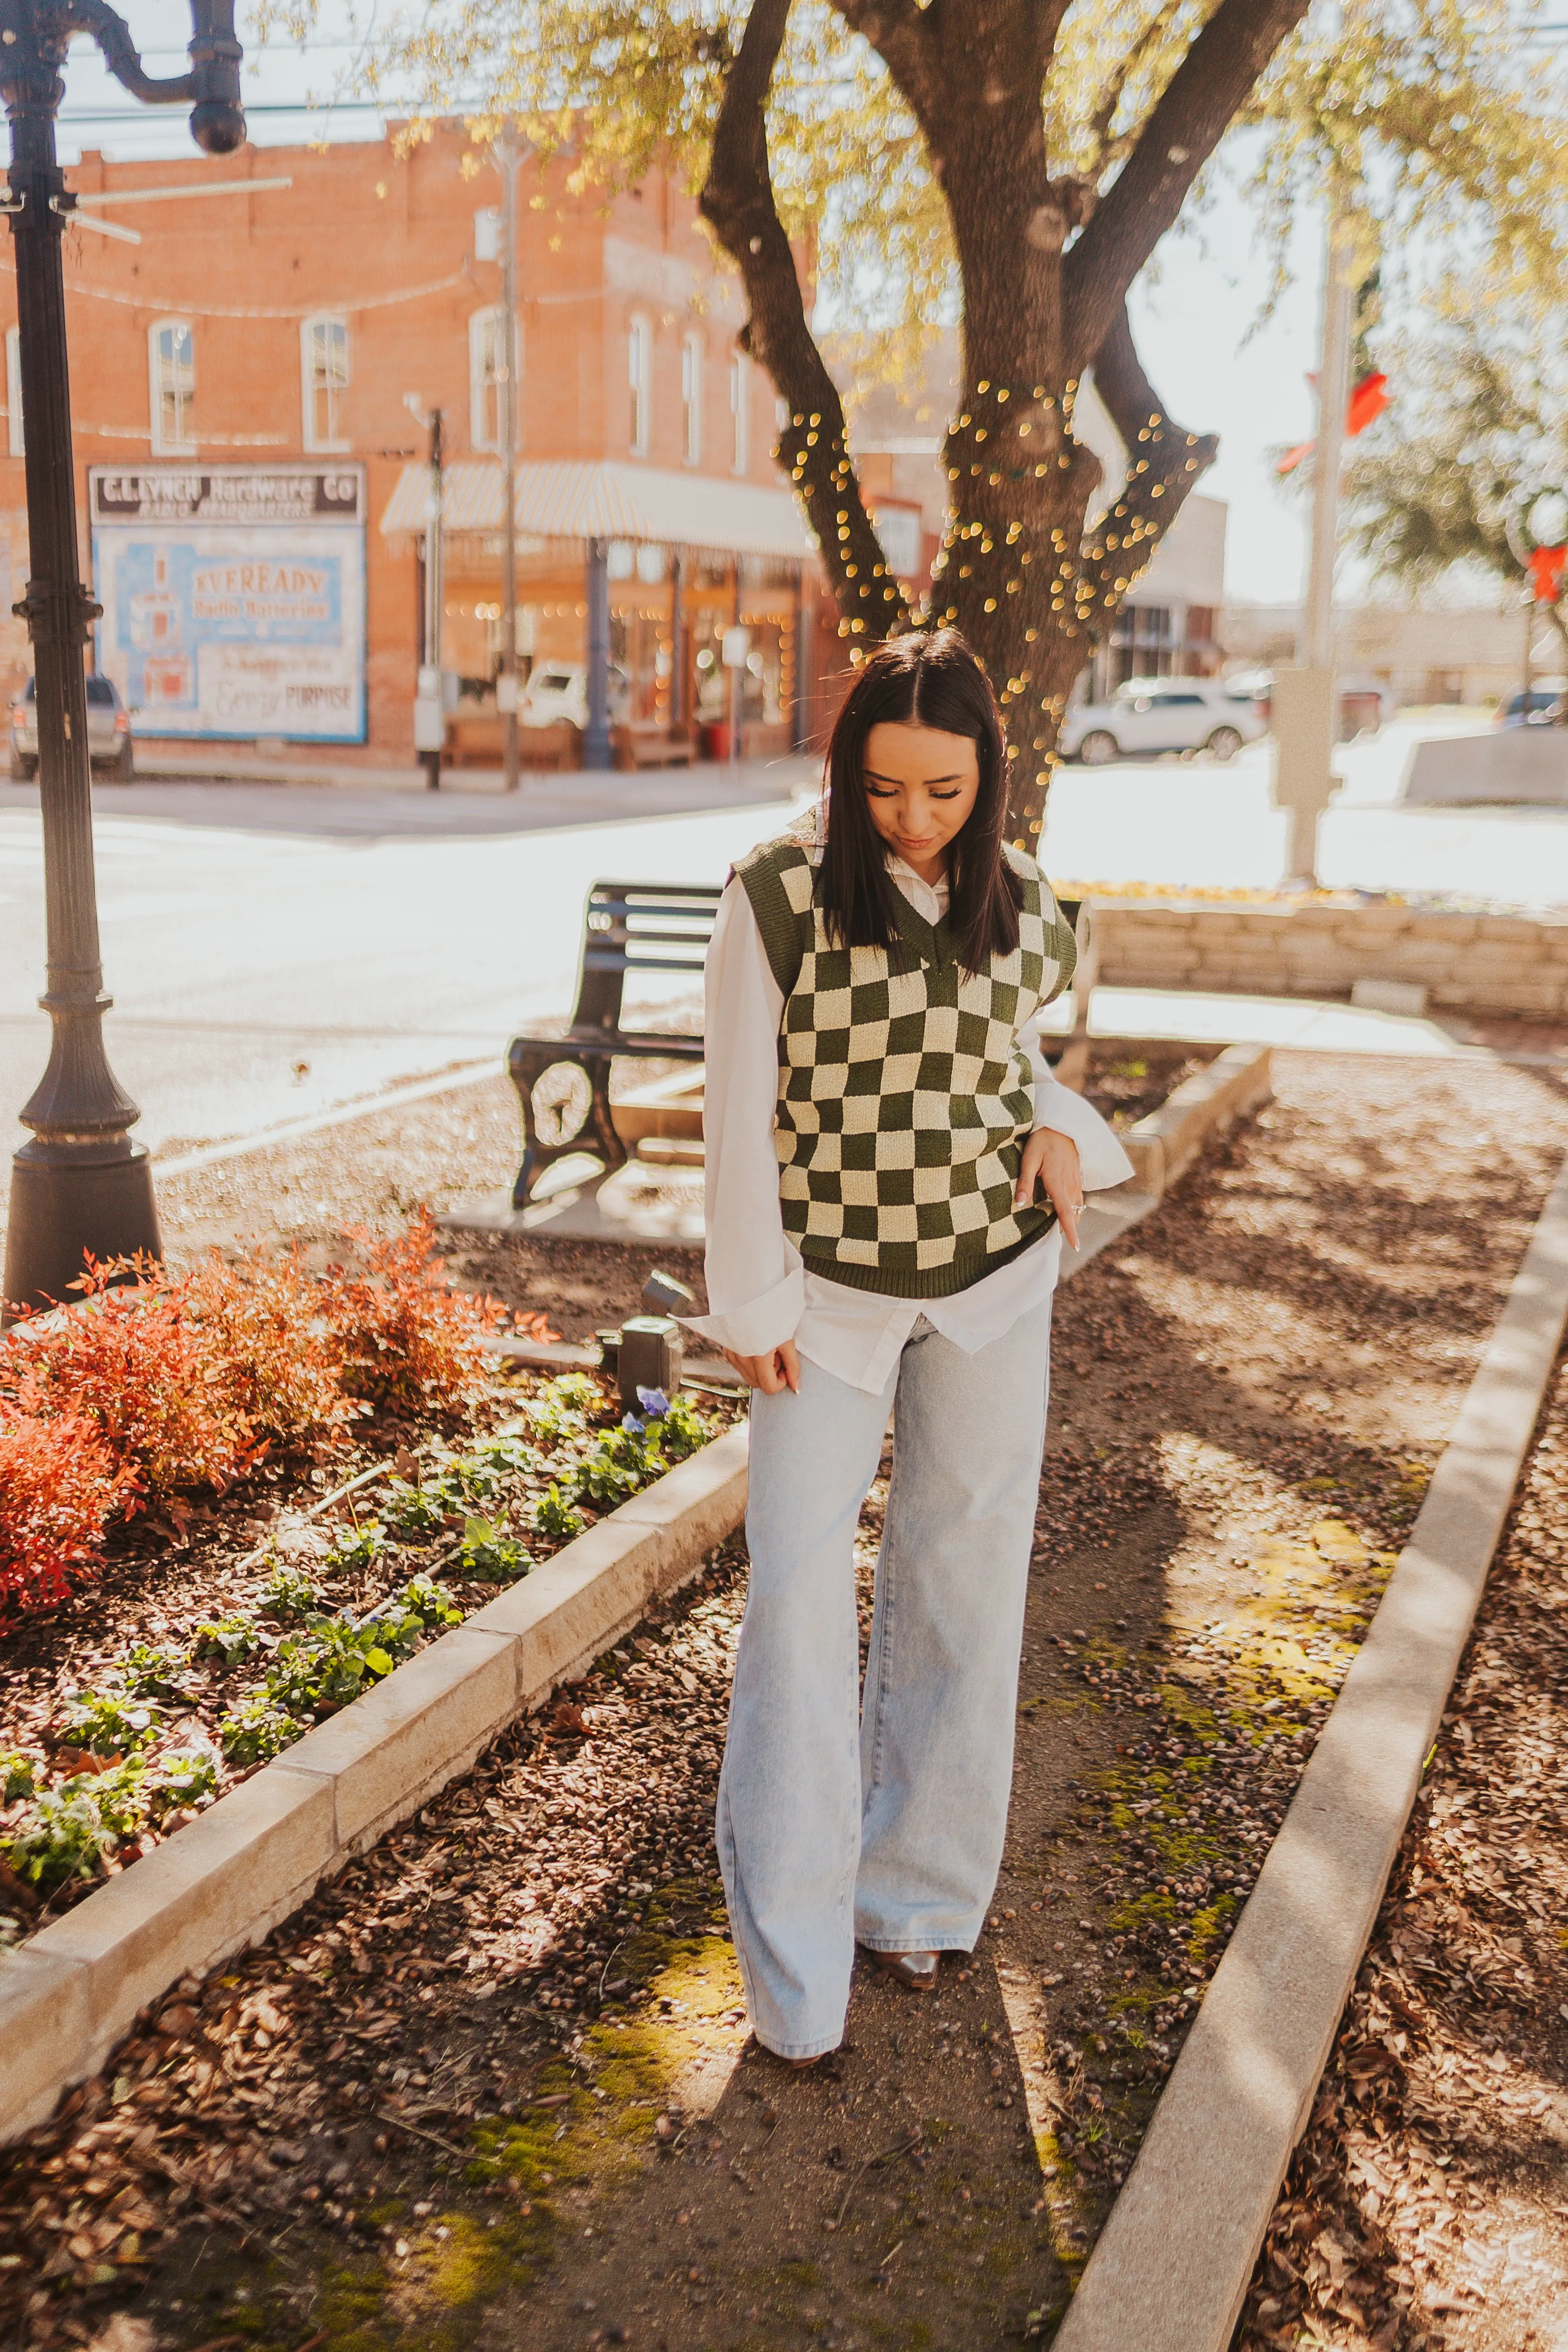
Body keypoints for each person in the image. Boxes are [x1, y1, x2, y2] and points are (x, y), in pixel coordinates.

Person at [685, 629, 1133, 2065]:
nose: (916, 818)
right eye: (886, 788)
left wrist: (1061, 1132)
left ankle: (922, 1892)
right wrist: (747, 1299)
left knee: (964, 1570)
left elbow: (1019, 1065)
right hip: (822, 1297)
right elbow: (736, 1106)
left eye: (945, 789)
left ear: (988, 776)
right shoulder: (774, 896)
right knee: (798, 1599)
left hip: (994, 1285)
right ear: (846, 767)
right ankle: (795, 1956)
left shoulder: (1028, 901)